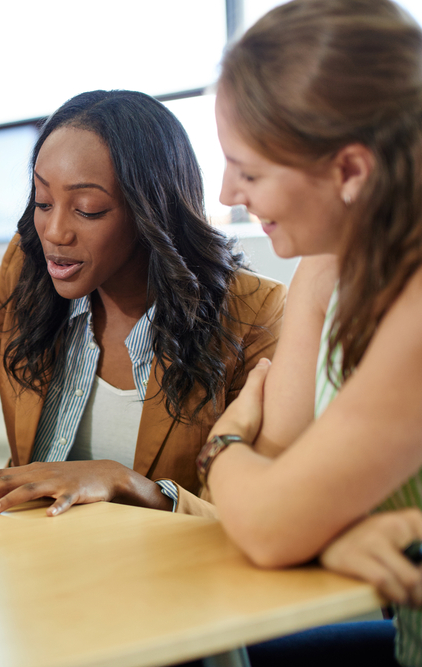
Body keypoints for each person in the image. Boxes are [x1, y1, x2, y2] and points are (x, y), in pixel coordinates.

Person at [0, 90, 286, 517]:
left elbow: (256, 510)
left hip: (166, 581)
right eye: (43, 201)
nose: (54, 232)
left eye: (87, 209)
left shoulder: (254, 312)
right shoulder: (25, 271)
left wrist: (124, 483)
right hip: (35, 565)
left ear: (153, 212)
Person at [197, 1, 422, 664]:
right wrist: (330, 528)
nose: (227, 193)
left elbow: (265, 515)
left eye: (250, 170)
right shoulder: (336, 263)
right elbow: (273, 473)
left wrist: (221, 440)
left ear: (350, 171)